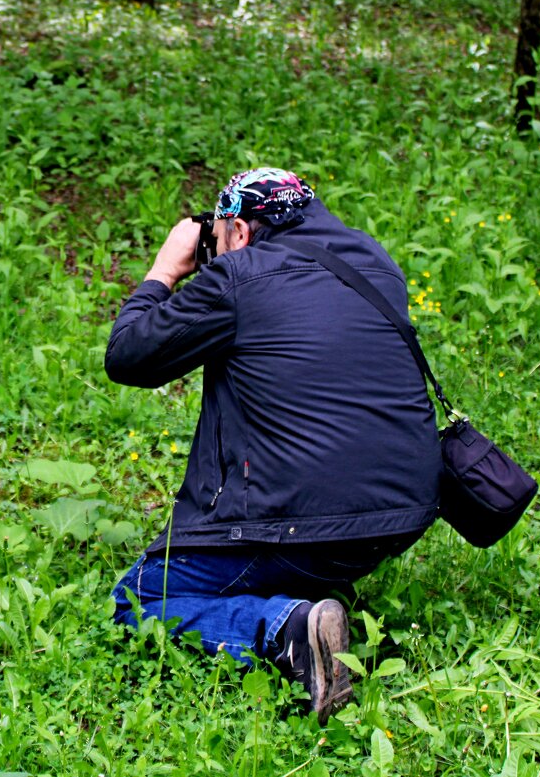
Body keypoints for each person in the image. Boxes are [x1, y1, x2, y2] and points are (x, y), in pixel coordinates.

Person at [105, 168, 441, 723]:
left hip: (301, 520)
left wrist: (167, 269)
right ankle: (318, 593)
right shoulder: (375, 263)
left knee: (141, 600)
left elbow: (129, 356)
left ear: (237, 230)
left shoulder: (237, 276)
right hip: (403, 514)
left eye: (216, 237)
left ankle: (284, 629)